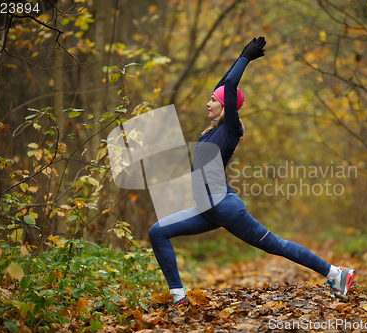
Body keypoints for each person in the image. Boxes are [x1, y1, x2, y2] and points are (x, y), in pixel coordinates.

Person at [148, 37, 355, 305]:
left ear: (227, 106)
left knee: (276, 246)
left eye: (213, 100)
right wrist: (240, 56)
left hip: (223, 207)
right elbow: (225, 85)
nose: (207, 103)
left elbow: (230, 86)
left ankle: (336, 273)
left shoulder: (229, 129)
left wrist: (245, 57)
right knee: (157, 231)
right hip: (207, 209)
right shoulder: (212, 131)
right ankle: (178, 297)